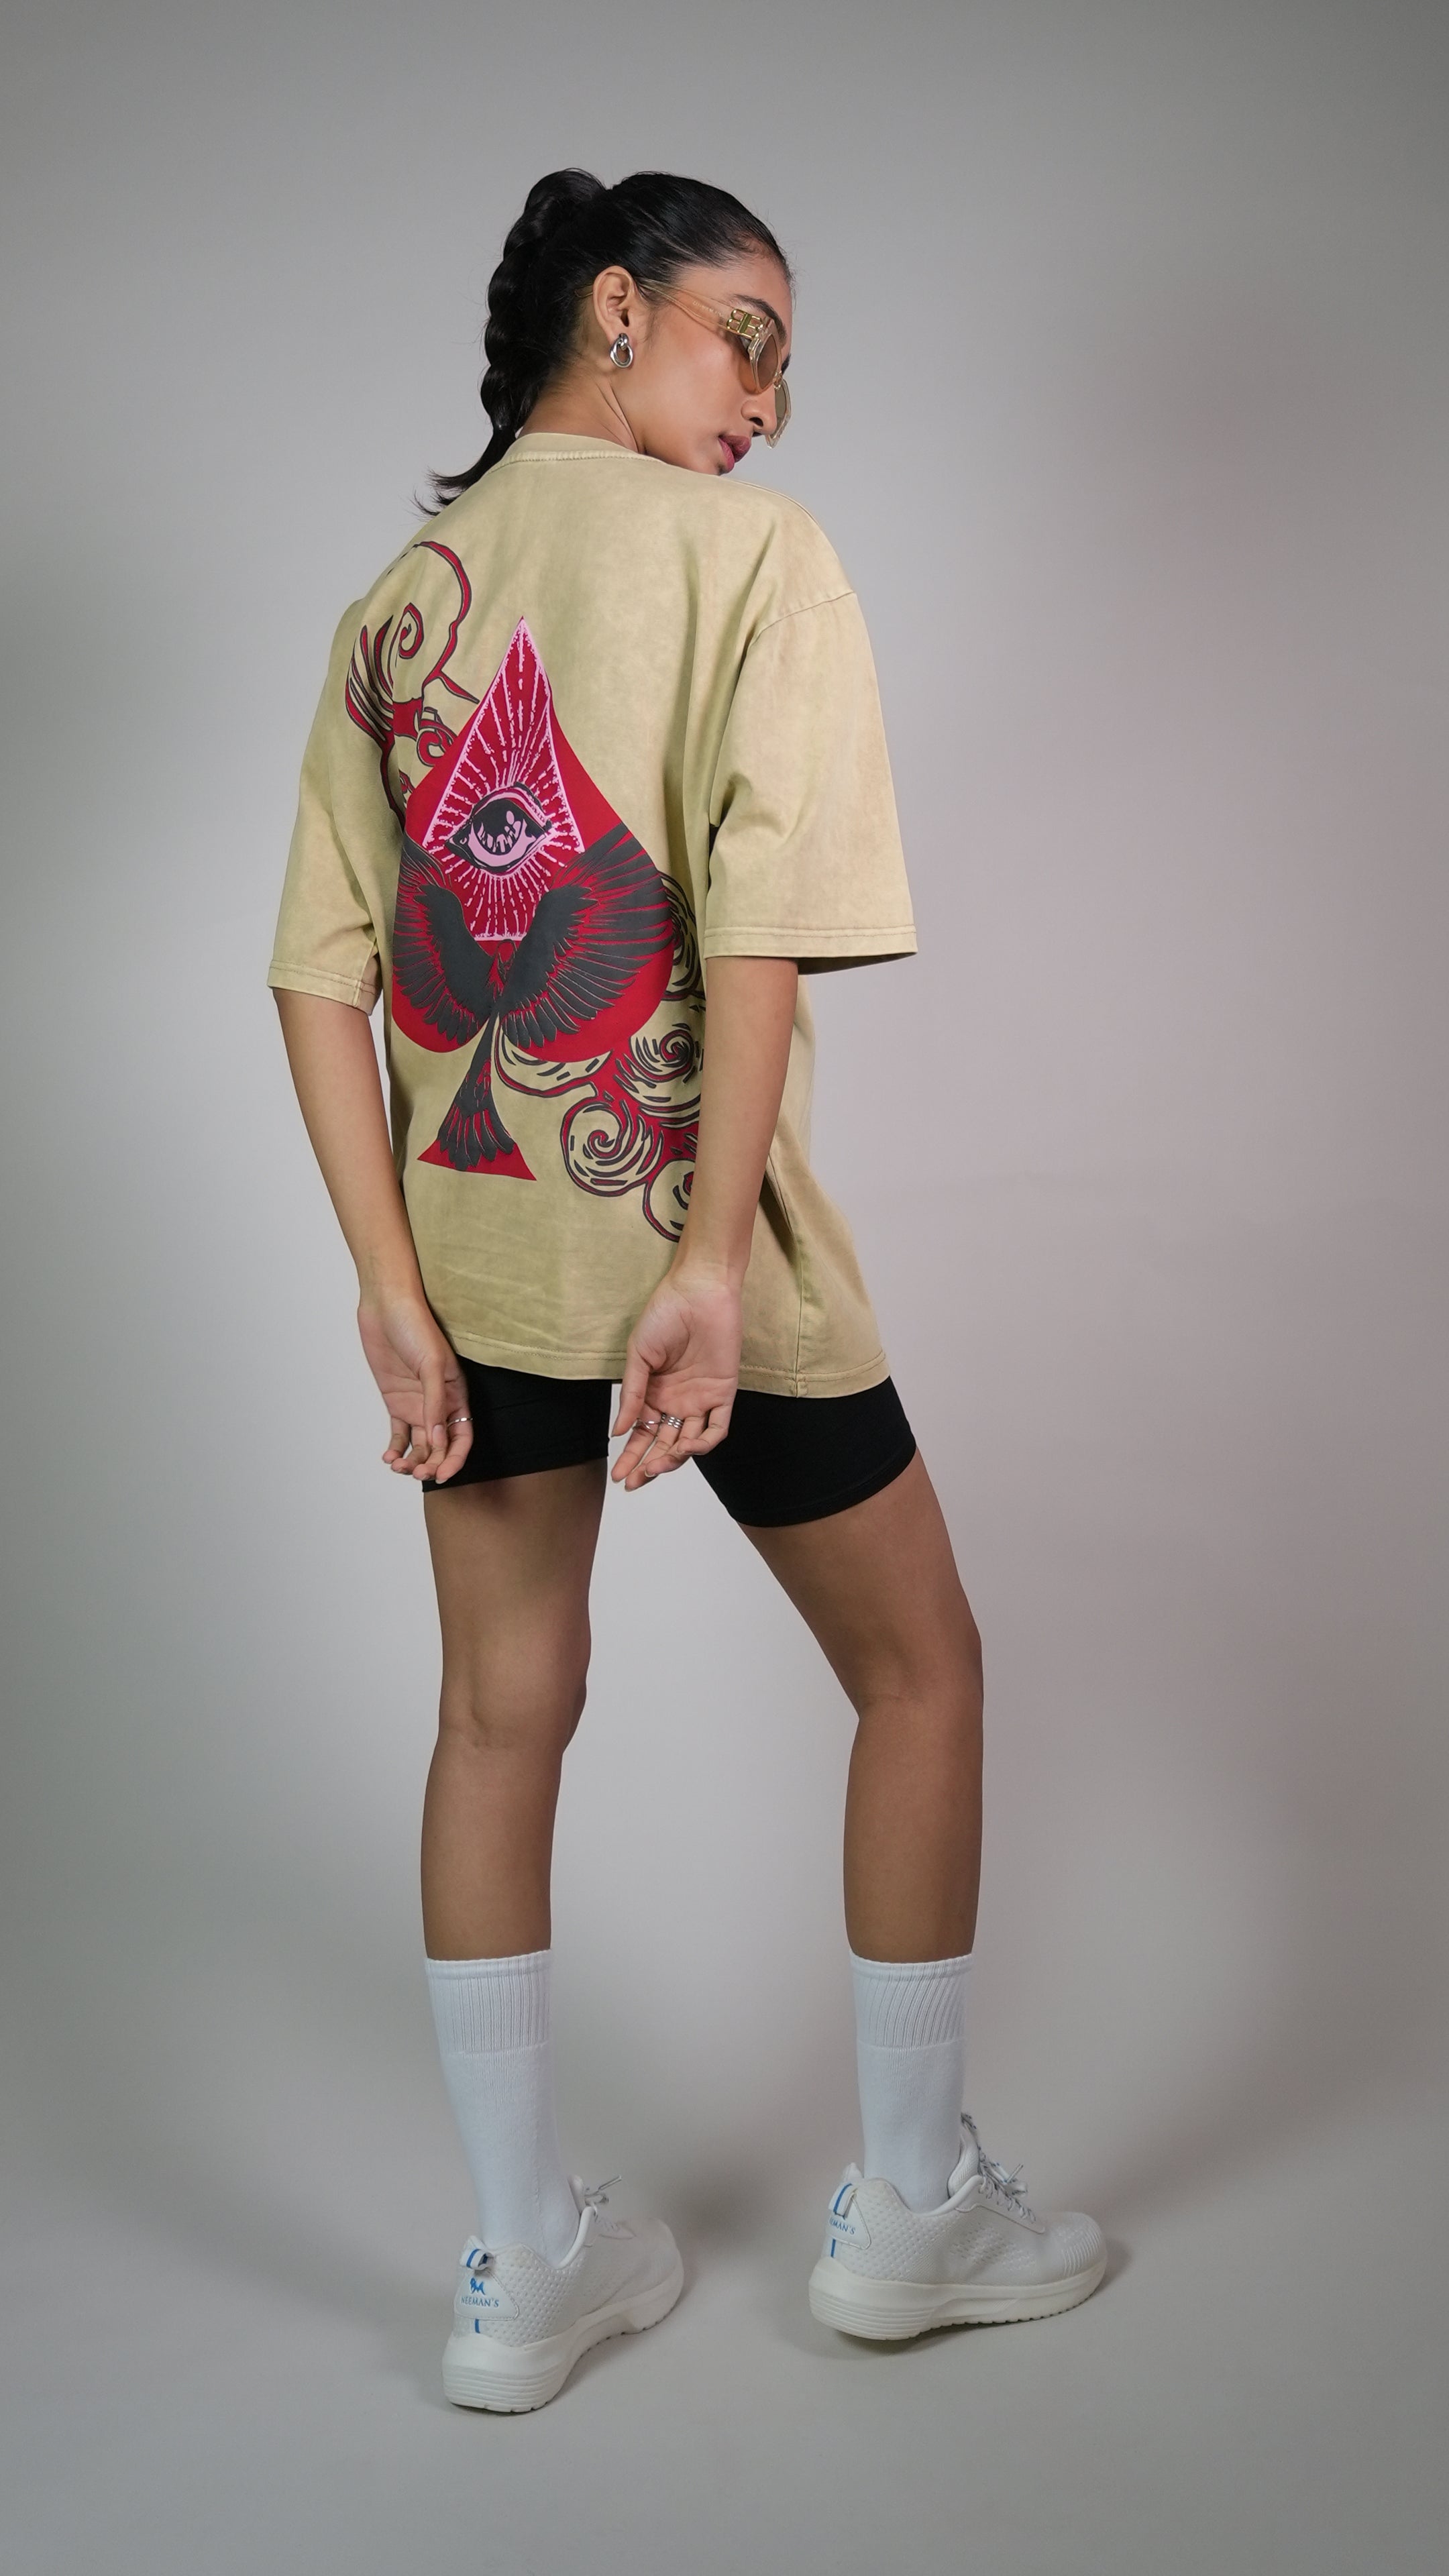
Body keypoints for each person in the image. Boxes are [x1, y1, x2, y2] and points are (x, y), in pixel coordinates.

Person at [268, 166, 1105, 2414]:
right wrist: (715, 1266)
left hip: (477, 1265)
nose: (773, 400)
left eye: (791, 365)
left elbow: (318, 971)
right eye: (751, 335)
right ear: (618, 309)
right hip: (693, 1254)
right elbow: (754, 931)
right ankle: (912, 2211)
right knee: (922, 1670)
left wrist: (387, 1288)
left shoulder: (395, 609)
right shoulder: (759, 563)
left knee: (495, 1716)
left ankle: (523, 2265)